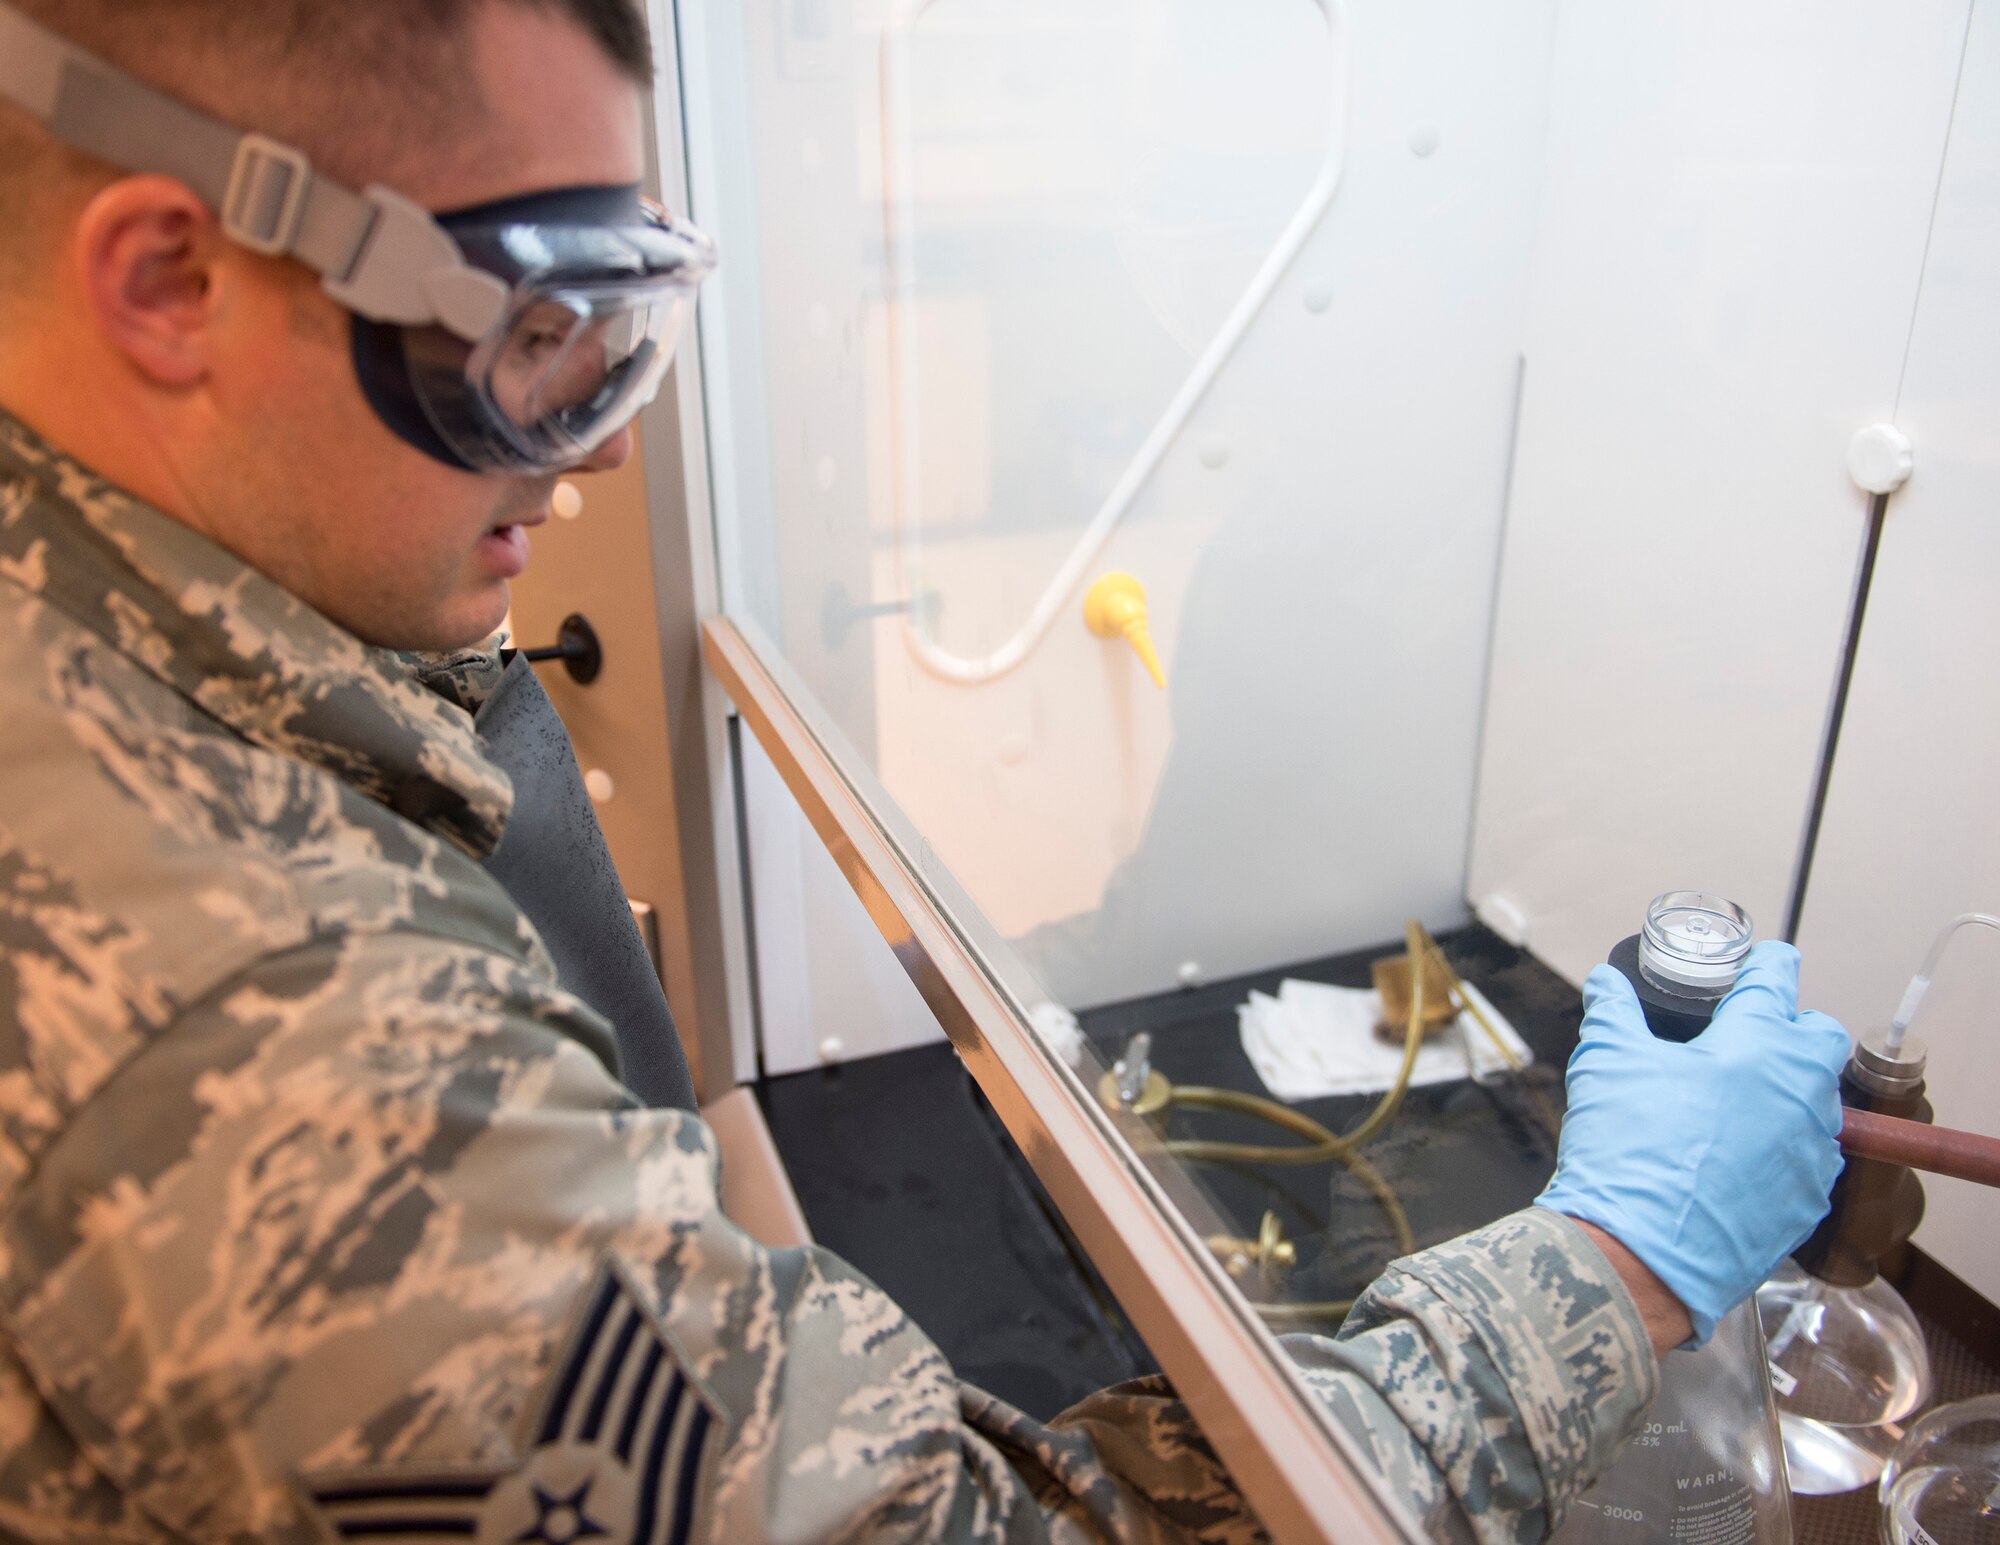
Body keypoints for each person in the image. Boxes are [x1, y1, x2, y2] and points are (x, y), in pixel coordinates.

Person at [0, 3, 1853, 1541]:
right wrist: (1611, 1266)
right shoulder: (270, 1040)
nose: (600, 468)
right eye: (529, 335)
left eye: (622, 341)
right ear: (168, 277)